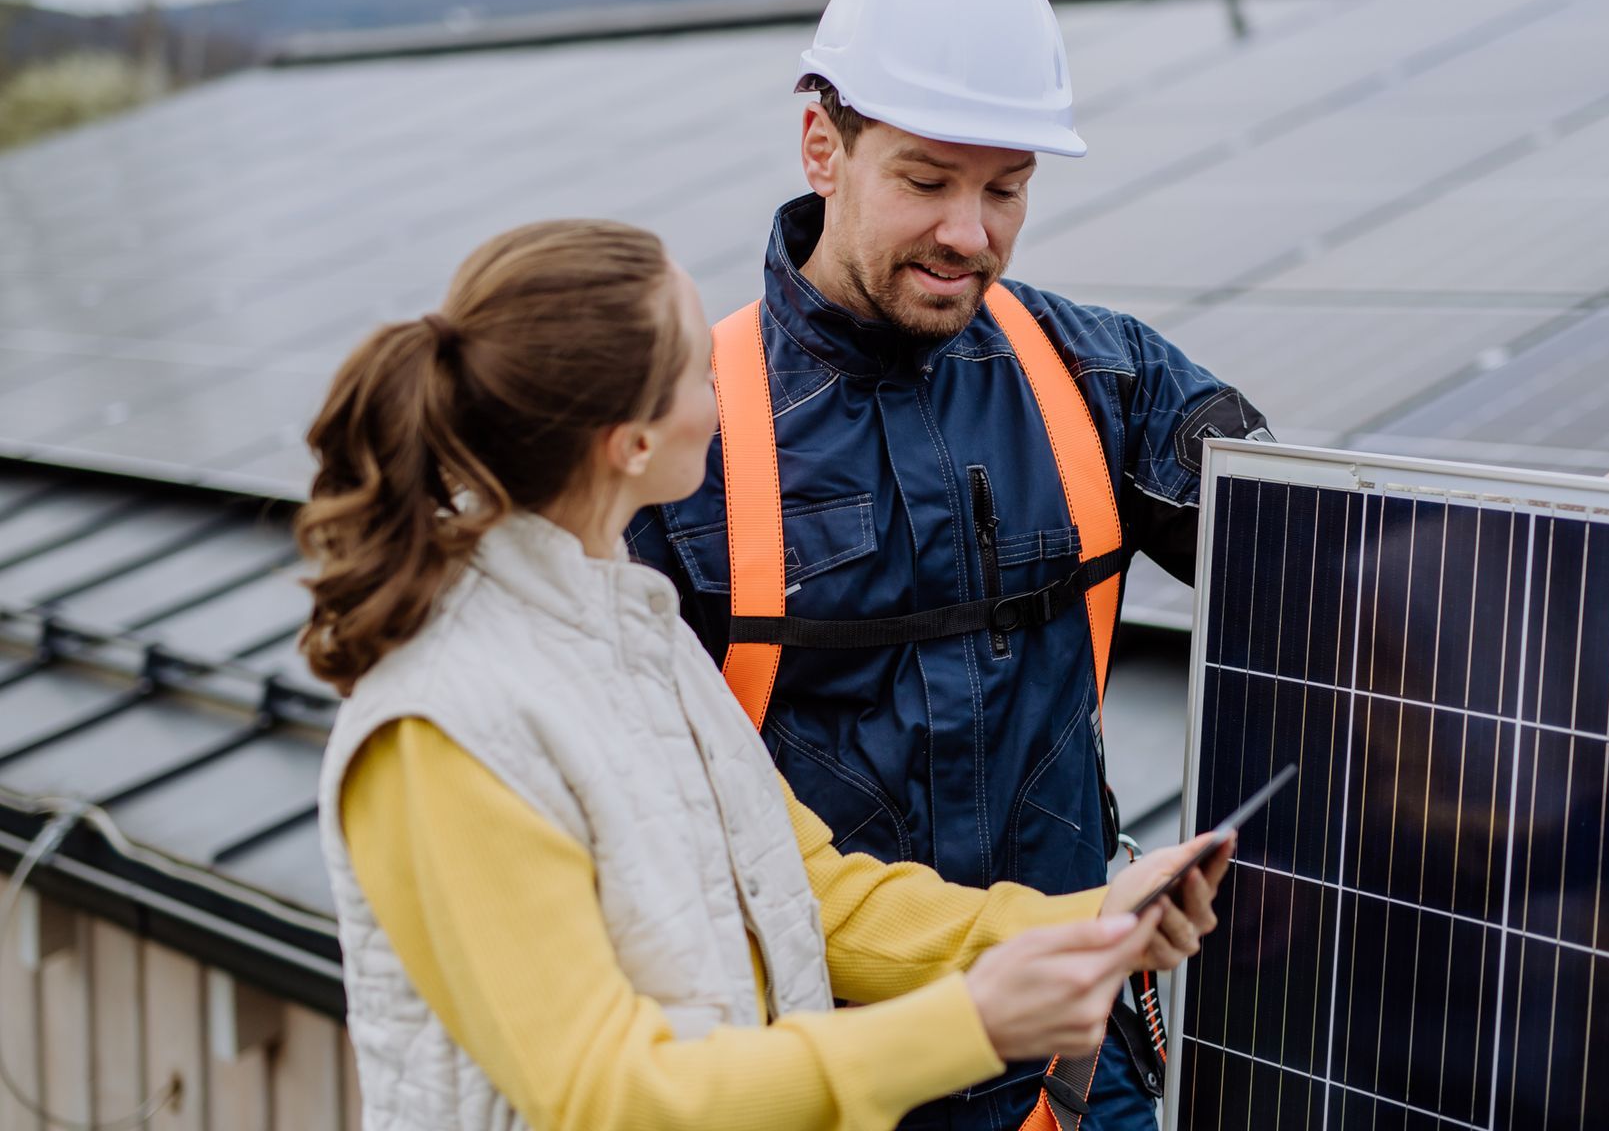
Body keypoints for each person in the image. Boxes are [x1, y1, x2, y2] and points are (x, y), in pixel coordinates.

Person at [625, 0, 1609, 1130]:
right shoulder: (686, 438)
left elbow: (1327, 558)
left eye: (1007, 188)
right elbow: (652, 838)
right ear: (822, 145)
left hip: (1081, 1083)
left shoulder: (1097, 378)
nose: (972, 234)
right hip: (832, 1088)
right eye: (927, 181)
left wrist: (1557, 530)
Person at [301, 219, 1229, 1131]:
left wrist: (1093, 920)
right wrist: (971, 1024)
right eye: (692, 369)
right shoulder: (443, 727)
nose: (723, 380)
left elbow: (816, 895)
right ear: (629, 442)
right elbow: (607, 1096)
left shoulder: (641, 641)